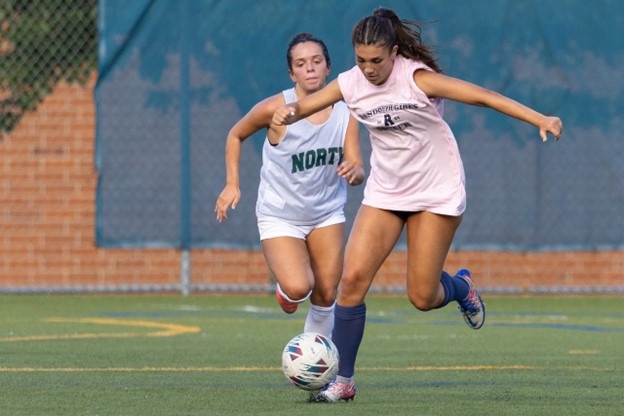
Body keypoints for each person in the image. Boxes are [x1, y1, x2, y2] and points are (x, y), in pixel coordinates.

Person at [272, 8, 563, 403]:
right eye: (361, 60)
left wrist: (539, 118)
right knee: (353, 281)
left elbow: (483, 96)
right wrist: (284, 114)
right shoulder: (351, 83)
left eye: (377, 61)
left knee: (422, 297)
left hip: (435, 191)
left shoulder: (417, 80)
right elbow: (302, 107)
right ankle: (343, 381)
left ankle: (461, 286)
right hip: (386, 191)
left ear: (394, 52)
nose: (369, 69)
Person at [215, 33, 365, 340]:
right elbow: (235, 134)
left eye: (316, 61)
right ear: (291, 72)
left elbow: (358, 166)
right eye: (301, 63)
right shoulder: (276, 109)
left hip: (325, 213)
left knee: (325, 294)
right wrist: (232, 183)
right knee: (300, 287)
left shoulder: (345, 111)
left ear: (328, 68)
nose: (309, 68)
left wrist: (354, 172)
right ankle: (287, 290)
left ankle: (315, 366)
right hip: (280, 214)